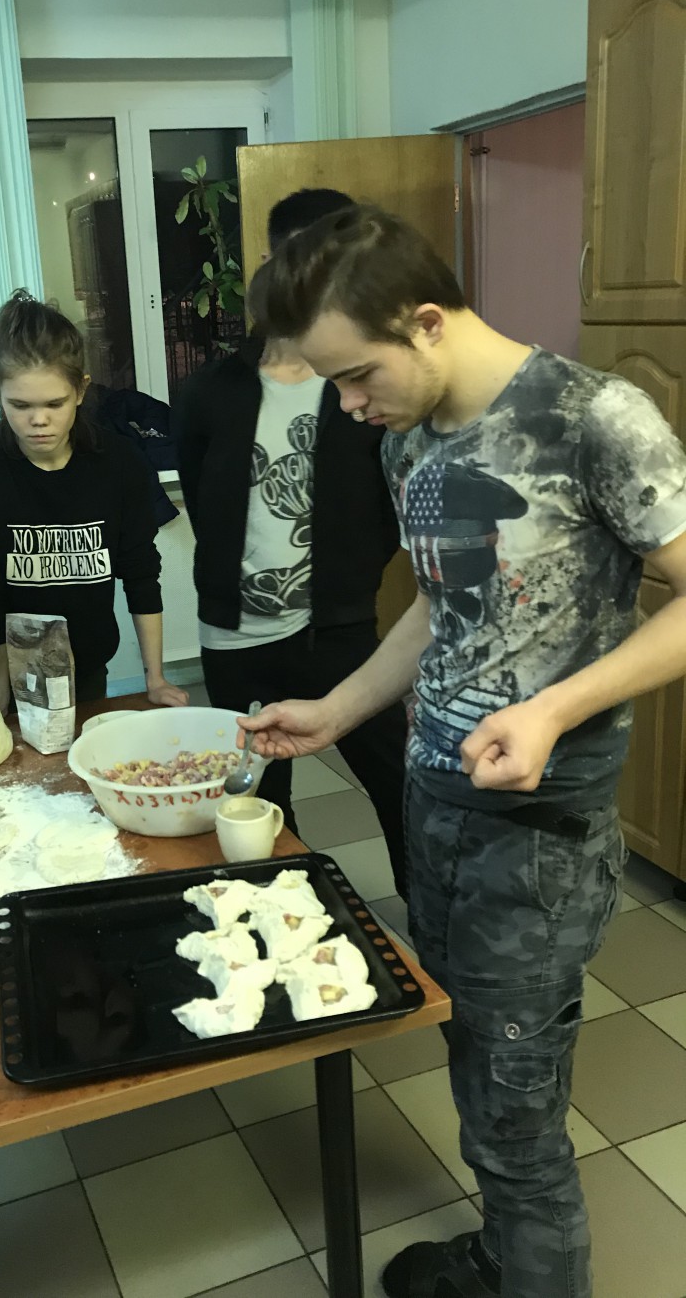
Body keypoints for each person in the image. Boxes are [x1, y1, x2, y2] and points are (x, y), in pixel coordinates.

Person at [242, 204, 686, 1298]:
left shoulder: (594, 417)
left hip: (536, 835)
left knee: (518, 1114)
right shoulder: (410, 437)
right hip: (436, 802)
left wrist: (553, 709)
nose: (349, 406)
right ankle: (501, 1258)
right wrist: (338, 709)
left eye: (356, 375)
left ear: (426, 320)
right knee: (475, 1060)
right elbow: (440, 606)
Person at [174, 189, 407, 894]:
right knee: (259, 799)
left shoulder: (362, 387)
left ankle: (430, 926)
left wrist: (348, 580)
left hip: (338, 629)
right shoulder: (211, 391)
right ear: (271, 264)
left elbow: (389, 505)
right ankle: (282, 926)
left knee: (398, 782)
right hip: (236, 639)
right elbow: (205, 500)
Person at [0, 290, 188, 712]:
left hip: (89, 663)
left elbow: (141, 573)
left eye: (55, 403)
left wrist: (154, 678)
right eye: (19, 405)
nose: (38, 420)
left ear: (80, 390)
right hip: (7, 669)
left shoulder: (119, 462)